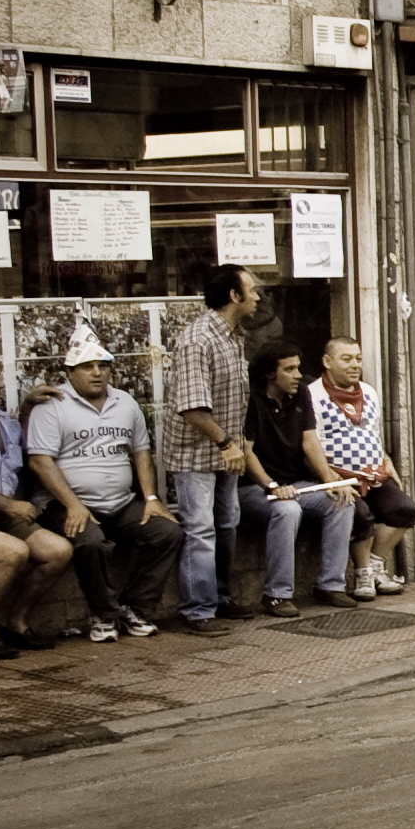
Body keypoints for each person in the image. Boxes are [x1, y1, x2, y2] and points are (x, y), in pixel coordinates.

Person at [23, 325, 183, 640]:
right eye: (87, 367)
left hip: (120, 502)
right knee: (90, 542)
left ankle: (134, 608)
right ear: (70, 371)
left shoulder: (125, 402)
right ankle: (104, 614)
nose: (97, 373)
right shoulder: (52, 404)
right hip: (65, 503)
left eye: (103, 366)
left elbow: (141, 452)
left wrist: (151, 498)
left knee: (168, 532)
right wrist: (73, 505)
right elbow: (39, 461)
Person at [0, 347, 73, 657]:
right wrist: (7, 505)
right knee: (12, 552)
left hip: (0, 516)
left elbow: (15, 448)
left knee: (57, 551)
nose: (0, 384)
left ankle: (14, 621)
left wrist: (27, 409)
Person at [158, 262, 258, 634]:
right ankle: (198, 610)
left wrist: (235, 444)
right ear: (234, 296)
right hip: (197, 453)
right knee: (201, 528)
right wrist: (227, 443)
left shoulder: (233, 336)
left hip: (225, 451)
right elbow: (192, 407)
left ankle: (219, 597)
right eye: (252, 289)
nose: (258, 297)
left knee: (226, 523)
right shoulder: (198, 338)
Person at [237, 344, 359, 616]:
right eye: (289, 369)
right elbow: (246, 451)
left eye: (298, 368)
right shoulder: (251, 400)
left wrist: (331, 480)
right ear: (270, 373)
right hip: (254, 488)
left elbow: (310, 441)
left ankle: (330, 585)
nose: (297, 375)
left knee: (341, 501)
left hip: (295, 484)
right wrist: (272, 486)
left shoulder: (301, 392)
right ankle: (277, 595)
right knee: (287, 510)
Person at [308, 337, 415, 597]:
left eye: (357, 358)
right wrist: (330, 477)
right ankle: (363, 575)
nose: (354, 364)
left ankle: (375, 565)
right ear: (327, 362)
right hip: (337, 477)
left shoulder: (368, 392)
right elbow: (310, 442)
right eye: (346, 359)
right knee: (361, 515)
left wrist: (385, 459)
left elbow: (372, 432)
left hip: (373, 474)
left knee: (404, 509)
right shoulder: (312, 395)